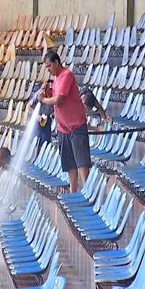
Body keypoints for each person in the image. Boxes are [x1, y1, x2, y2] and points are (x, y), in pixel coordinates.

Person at [38, 50, 91, 193]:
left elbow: (59, 100)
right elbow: (54, 100)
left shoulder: (66, 75)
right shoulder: (56, 79)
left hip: (75, 125)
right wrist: (48, 94)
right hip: (63, 128)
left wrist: (43, 99)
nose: (48, 70)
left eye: (49, 66)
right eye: (46, 67)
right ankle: (74, 191)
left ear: (56, 62)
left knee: (82, 162)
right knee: (70, 164)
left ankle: (87, 193)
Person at [27, 82, 53, 148]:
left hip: (47, 118)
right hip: (37, 118)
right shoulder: (39, 94)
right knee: (34, 138)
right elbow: (29, 106)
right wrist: (36, 116)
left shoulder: (53, 95)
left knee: (45, 140)